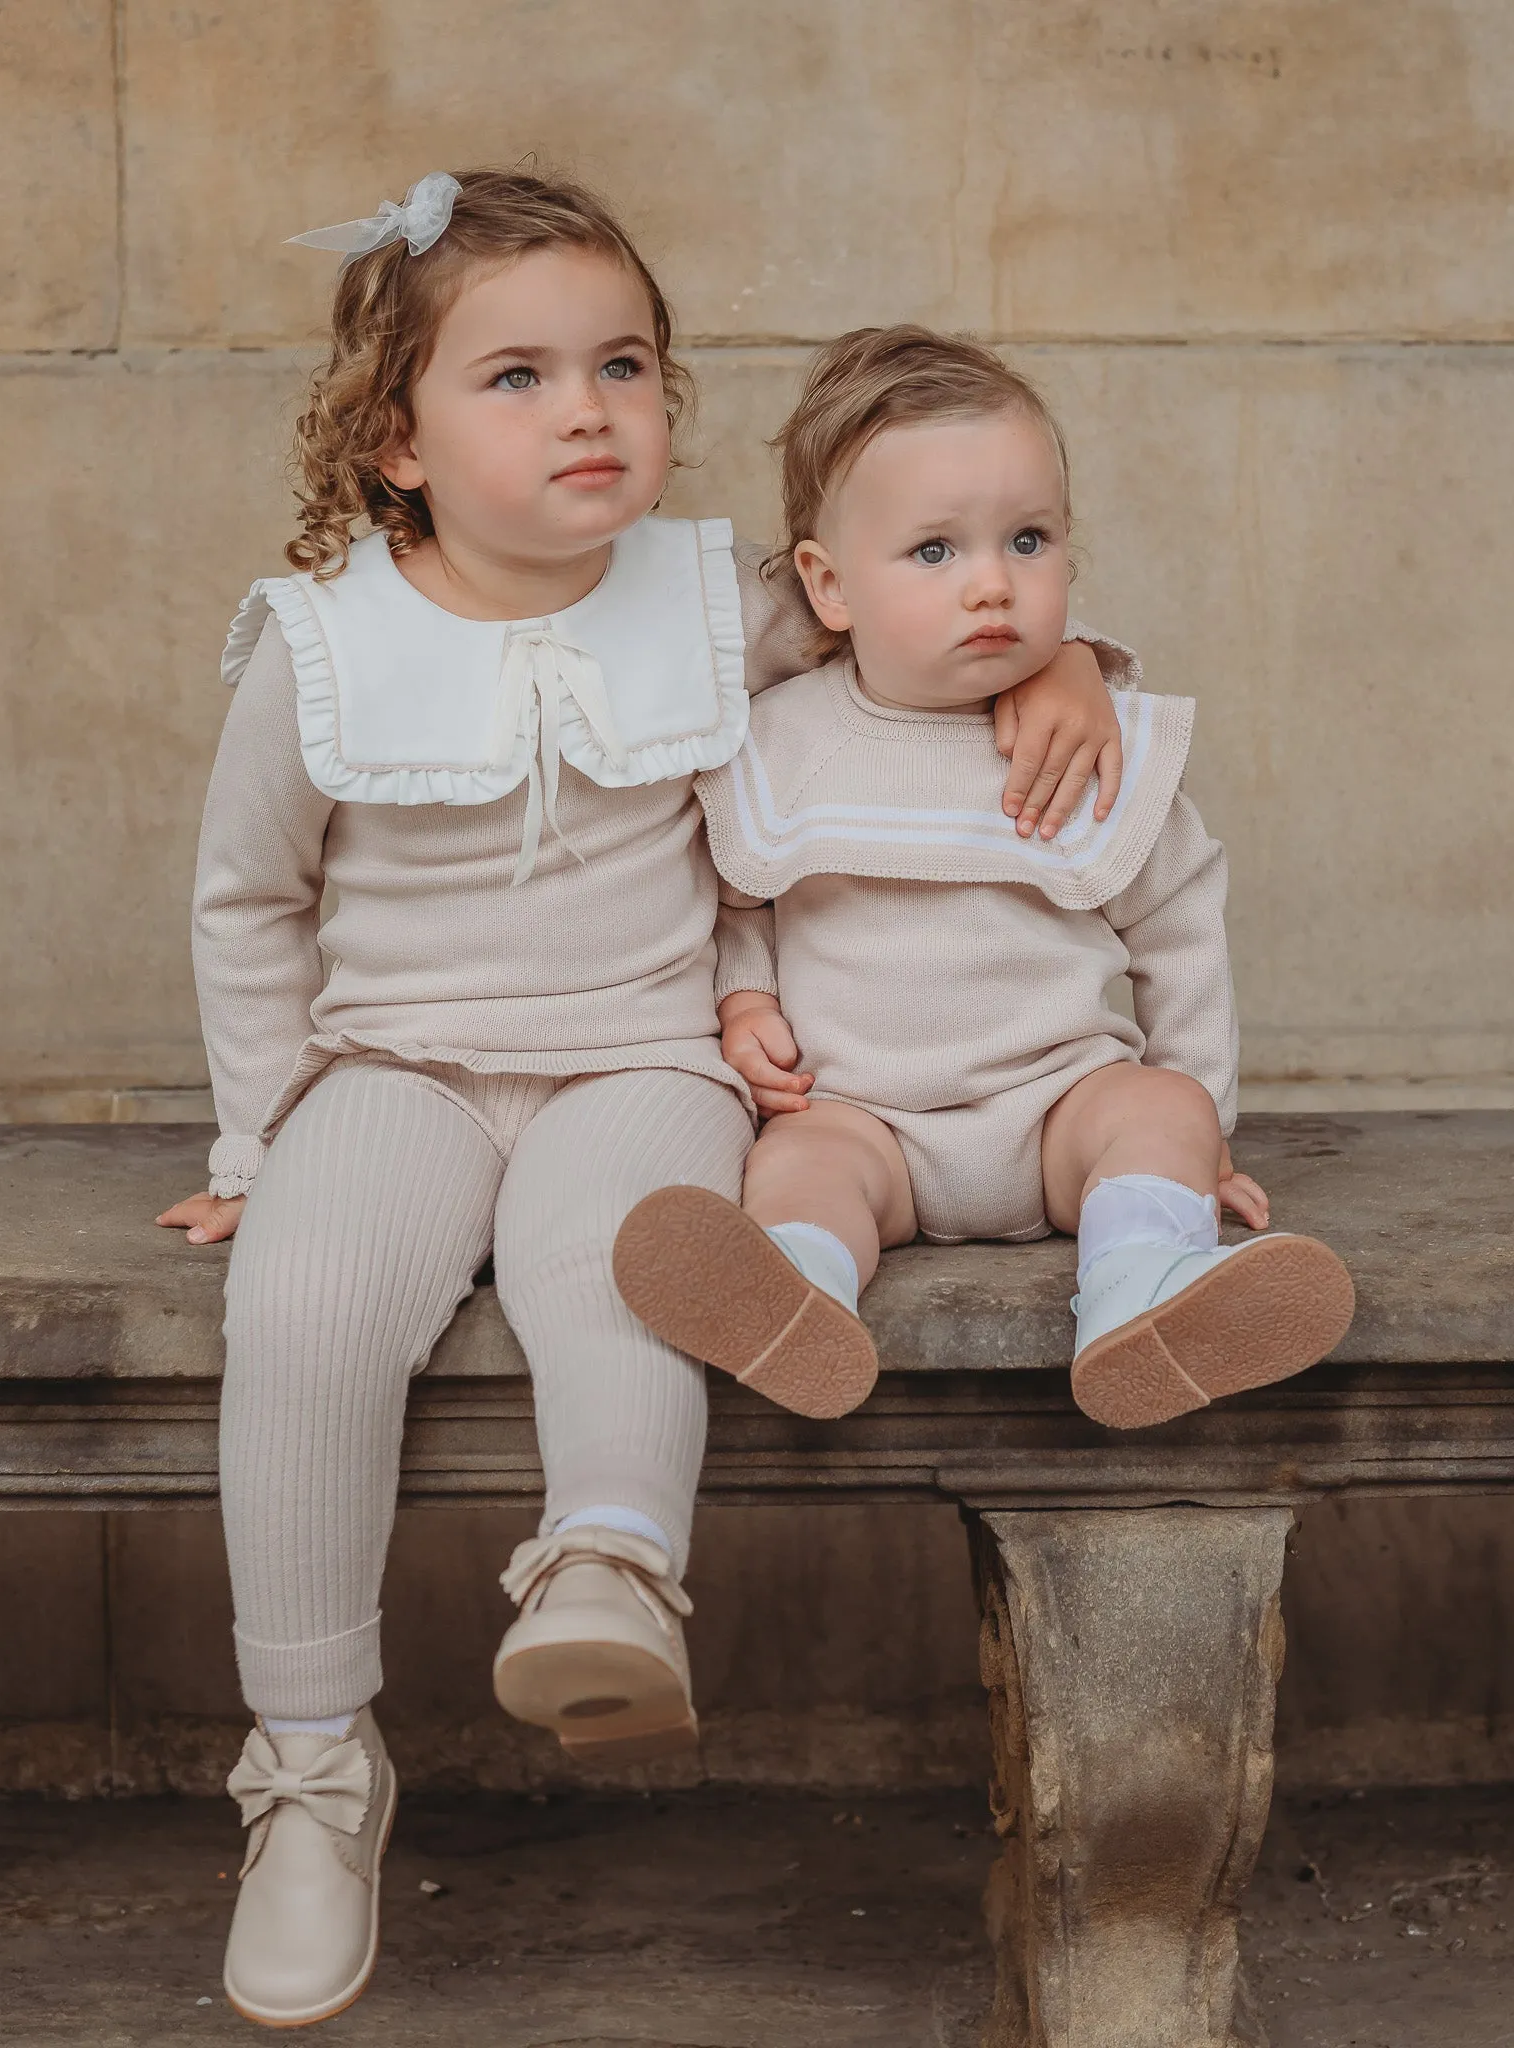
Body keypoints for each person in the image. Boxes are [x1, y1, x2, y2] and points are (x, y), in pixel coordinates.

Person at [154, 178, 1127, 2027]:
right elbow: (250, 902)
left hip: (643, 1053)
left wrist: (1070, 655)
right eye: (515, 375)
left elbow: (927, 607)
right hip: (398, 1062)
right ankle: (308, 1764)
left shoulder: (708, 598)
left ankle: (607, 1566)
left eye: (621, 364)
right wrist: (253, 1141)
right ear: (396, 441)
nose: (586, 408)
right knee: (299, 1309)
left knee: (628, 1264)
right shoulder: (319, 646)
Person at [615, 325, 1355, 1431]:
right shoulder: (784, 740)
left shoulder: (1085, 742)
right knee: (797, 1164)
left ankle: (1141, 1290)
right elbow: (738, 895)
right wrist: (746, 994)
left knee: (1154, 1106)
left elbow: (1179, 925)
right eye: (934, 552)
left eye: (1028, 538)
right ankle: (796, 1294)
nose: (992, 585)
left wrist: (1201, 1125)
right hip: (865, 1119)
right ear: (828, 585)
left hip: (1058, 1107)